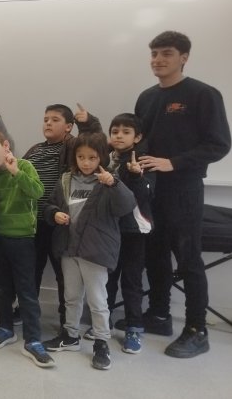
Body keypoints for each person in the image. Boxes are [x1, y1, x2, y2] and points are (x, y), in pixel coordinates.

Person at [134, 30, 231, 358]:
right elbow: (139, 140)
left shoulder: (203, 94)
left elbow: (219, 144)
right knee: (155, 255)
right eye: (154, 54)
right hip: (150, 190)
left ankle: (196, 329)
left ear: (184, 57)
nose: (158, 60)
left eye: (166, 54)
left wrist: (172, 163)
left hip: (184, 189)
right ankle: (160, 315)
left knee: (189, 260)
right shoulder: (146, 97)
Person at [42, 132, 136, 370]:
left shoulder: (109, 181)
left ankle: (101, 342)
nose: (86, 162)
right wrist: (53, 214)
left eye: (92, 157)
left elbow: (126, 206)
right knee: (71, 296)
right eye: (81, 157)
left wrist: (114, 183)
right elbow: (51, 205)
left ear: (101, 157)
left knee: (97, 299)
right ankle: (70, 336)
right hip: (68, 248)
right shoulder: (66, 179)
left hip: (95, 250)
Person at [0, 130, 53, 368]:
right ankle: (6, 328)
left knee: (26, 291)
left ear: (5, 145)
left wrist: (16, 172)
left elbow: (38, 192)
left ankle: (33, 339)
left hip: (22, 239)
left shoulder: (25, 166)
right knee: (1, 288)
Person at [22, 103, 101, 327]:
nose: (48, 123)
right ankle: (29, 312)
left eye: (55, 120)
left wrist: (88, 123)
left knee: (64, 274)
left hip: (61, 222)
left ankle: (68, 317)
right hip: (35, 220)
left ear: (68, 127)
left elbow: (93, 143)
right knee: (32, 270)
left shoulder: (72, 146)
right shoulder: (36, 149)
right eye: (46, 119)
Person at [105, 113, 154, 354]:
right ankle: (103, 324)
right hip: (112, 230)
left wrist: (136, 175)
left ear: (138, 137)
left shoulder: (140, 160)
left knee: (132, 282)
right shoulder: (109, 158)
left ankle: (134, 328)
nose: (119, 136)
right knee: (108, 279)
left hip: (134, 231)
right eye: (115, 131)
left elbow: (144, 194)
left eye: (126, 132)